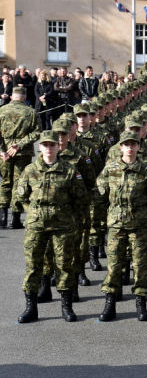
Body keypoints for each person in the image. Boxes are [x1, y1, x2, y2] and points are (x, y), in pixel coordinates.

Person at [15, 130, 88, 323]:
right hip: (36, 225)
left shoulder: (69, 170)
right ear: (40, 146)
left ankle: (66, 306)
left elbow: (80, 199)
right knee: (33, 265)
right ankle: (31, 308)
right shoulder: (30, 170)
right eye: (45, 145)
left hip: (62, 225)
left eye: (52, 144)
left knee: (64, 265)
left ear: (58, 146)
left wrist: (69, 217)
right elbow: (20, 196)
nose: (49, 148)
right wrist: (32, 212)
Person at [93, 131, 147, 322]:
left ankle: (140, 304)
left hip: (139, 226)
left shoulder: (146, 171)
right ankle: (110, 304)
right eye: (126, 144)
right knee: (114, 266)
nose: (130, 148)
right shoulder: (110, 169)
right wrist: (99, 222)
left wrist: (144, 215)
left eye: (134, 144)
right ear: (121, 147)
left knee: (140, 266)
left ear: (138, 147)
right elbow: (99, 196)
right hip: (116, 225)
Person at [0, 87, 42, 229]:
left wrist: (2, 151)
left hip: (4, 151)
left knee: (5, 182)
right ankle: (15, 218)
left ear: (11, 97)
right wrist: (20, 144)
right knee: (19, 183)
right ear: (24, 98)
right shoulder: (31, 112)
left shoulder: (1, 110)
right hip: (22, 152)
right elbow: (37, 132)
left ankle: (3, 216)